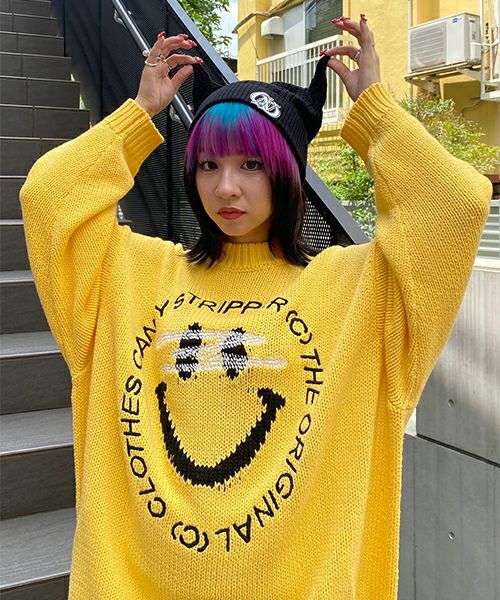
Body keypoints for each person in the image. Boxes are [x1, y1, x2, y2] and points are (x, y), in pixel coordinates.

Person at [20, 15, 491, 600]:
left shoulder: (359, 293)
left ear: (287, 172)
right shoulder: (130, 276)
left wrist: (374, 111)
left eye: (251, 164)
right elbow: (48, 197)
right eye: (209, 165)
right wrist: (138, 116)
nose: (225, 188)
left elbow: (455, 202)